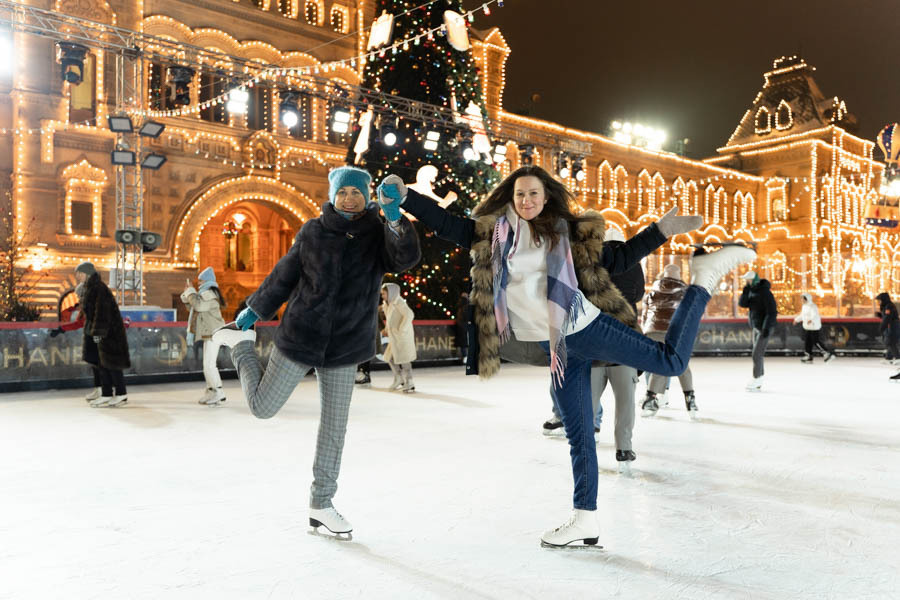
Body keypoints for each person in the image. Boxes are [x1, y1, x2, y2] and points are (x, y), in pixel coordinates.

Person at [377, 165, 755, 548]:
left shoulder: (564, 233)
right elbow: (447, 224)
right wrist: (407, 198)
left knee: (670, 361)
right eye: (520, 194)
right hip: (555, 346)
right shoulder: (495, 234)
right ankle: (585, 519)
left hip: (585, 327)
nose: (527, 200)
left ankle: (703, 278)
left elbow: (618, 258)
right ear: (512, 197)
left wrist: (660, 231)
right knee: (579, 435)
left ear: (546, 198)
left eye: (534, 194)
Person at [212, 166, 420, 539]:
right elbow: (283, 277)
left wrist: (393, 217)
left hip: (346, 344)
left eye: (356, 193)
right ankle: (240, 347)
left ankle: (321, 504)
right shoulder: (313, 231)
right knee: (263, 408)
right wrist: (253, 311)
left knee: (334, 427)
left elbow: (402, 259)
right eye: (343, 192)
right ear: (332, 195)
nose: (349, 199)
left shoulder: (377, 233)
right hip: (302, 335)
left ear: (367, 196)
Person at [543, 228, 643, 474]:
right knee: (626, 401)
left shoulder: (590, 262)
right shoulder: (633, 263)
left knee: (587, 401)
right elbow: (638, 293)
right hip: (623, 343)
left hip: (595, 342)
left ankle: (586, 446)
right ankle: (624, 449)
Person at [641, 263, 698, 418]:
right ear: (679, 275)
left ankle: (651, 399)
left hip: (653, 332)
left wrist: (645, 332)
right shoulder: (685, 292)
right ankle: (690, 400)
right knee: (681, 364)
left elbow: (645, 315)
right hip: (676, 332)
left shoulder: (653, 291)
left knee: (660, 363)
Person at [75, 262, 131, 407]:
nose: (78, 276)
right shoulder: (91, 288)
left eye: (79, 273)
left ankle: (121, 394)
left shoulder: (99, 288)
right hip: (102, 331)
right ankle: (106, 394)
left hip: (109, 333)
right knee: (102, 364)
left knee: (112, 364)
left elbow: (102, 312)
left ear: (87, 273)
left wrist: (98, 332)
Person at [181, 267, 228, 405]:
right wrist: (187, 293)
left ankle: (218, 392)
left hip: (214, 333)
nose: (199, 283)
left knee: (209, 365)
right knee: (207, 365)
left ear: (207, 281)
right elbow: (193, 307)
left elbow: (199, 306)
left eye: (201, 281)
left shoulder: (210, 294)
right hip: (210, 333)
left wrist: (190, 291)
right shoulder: (205, 294)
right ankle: (211, 391)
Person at [50, 282, 102, 402]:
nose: (78, 297)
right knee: (95, 365)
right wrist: (62, 329)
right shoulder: (86, 306)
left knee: (100, 365)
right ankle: (99, 389)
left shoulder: (93, 305)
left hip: (98, 338)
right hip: (91, 338)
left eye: (79, 295)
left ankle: (105, 391)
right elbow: (79, 323)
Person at [738, 270, 776, 392]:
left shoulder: (765, 292)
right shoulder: (751, 291)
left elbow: (772, 312)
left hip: (764, 328)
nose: (746, 281)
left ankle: (757, 378)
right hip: (756, 327)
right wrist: (745, 292)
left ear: (753, 280)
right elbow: (743, 304)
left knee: (756, 354)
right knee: (758, 354)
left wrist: (766, 328)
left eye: (748, 280)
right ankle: (759, 378)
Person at [381, 282, 417, 392]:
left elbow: (409, 314)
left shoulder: (399, 302)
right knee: (390, 357)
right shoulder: (387, 304)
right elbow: (390, 319)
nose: (382, 296)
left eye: (384, 293)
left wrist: (402, 329)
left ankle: (409, 381)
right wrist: (386, 329)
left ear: (391, 293)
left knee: (404, 359)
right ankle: (399, 378)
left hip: (402, 336)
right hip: (394, 336)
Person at [792, 293, 836, 364]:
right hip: (807, 327)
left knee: (816, 341)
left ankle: (827, 353)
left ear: (807, 299)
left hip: (814, 326)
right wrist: (796, 320)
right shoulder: (804, 306)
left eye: (803, 299)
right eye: (801, 299)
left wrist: (811, 320)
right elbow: (802, 315)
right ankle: (808, 356)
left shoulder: (813, 306)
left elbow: (815, 315)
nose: (801, 300)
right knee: (808, 342)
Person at [875, 292, 900, 364]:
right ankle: (889, 358)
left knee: (891, 342)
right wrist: (880, 315)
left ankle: (898, 358)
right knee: (890, 342)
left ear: (883, 299)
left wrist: (882, 327)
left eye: (880, 300)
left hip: (892, 326)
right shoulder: (886, 306)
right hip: (891, 325)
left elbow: (888, 318)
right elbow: (886, 316)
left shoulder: (889, 306)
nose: (879, 302)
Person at [455, 292, 469, 362]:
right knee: (468, 342)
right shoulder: (467, 305)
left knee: (463, 343)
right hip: (466, 326)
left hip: (460, 326)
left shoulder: (460, 305)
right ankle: (467, 357)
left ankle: (465, 356)